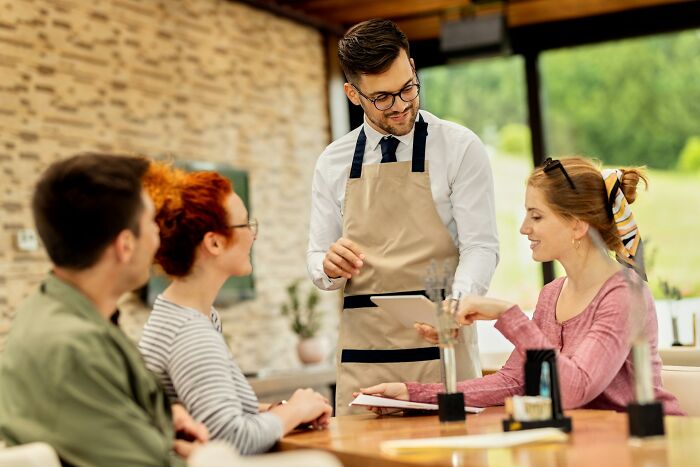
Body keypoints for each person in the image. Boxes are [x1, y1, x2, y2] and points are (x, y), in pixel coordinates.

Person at [359, 156, 683, 415]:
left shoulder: (623, 294)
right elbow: (514, 381)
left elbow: (572, 390)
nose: (524, 228)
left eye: (536, 216)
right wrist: (413, 395)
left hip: (648, 449)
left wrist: (508, 314)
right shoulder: (552, 294)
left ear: (577, 224)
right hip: (588, 443)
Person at [307, 19, 499, 415]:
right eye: (381, 97)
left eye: (407, 87)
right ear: (352, 94)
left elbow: (481, 246)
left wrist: (457, 304)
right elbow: (317, 258)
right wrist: (328, 266)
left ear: (412, 67)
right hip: (366, 363)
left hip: (443, 353)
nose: (400, 104)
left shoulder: (460, 148)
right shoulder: (332, 162)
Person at [0, 153, 209, 466]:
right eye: (151, 221)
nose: (158, 236)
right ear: (125, 245)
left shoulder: (50, 310)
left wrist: (161, 420)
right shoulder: (73, 349)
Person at [138, 162, 333, 456]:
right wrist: (294, 411)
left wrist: (278, 410)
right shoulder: (190, 333)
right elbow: (231, 439)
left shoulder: (185, 314)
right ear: (214, 242)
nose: (253, 235)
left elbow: (212, 411)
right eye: (245, 225)